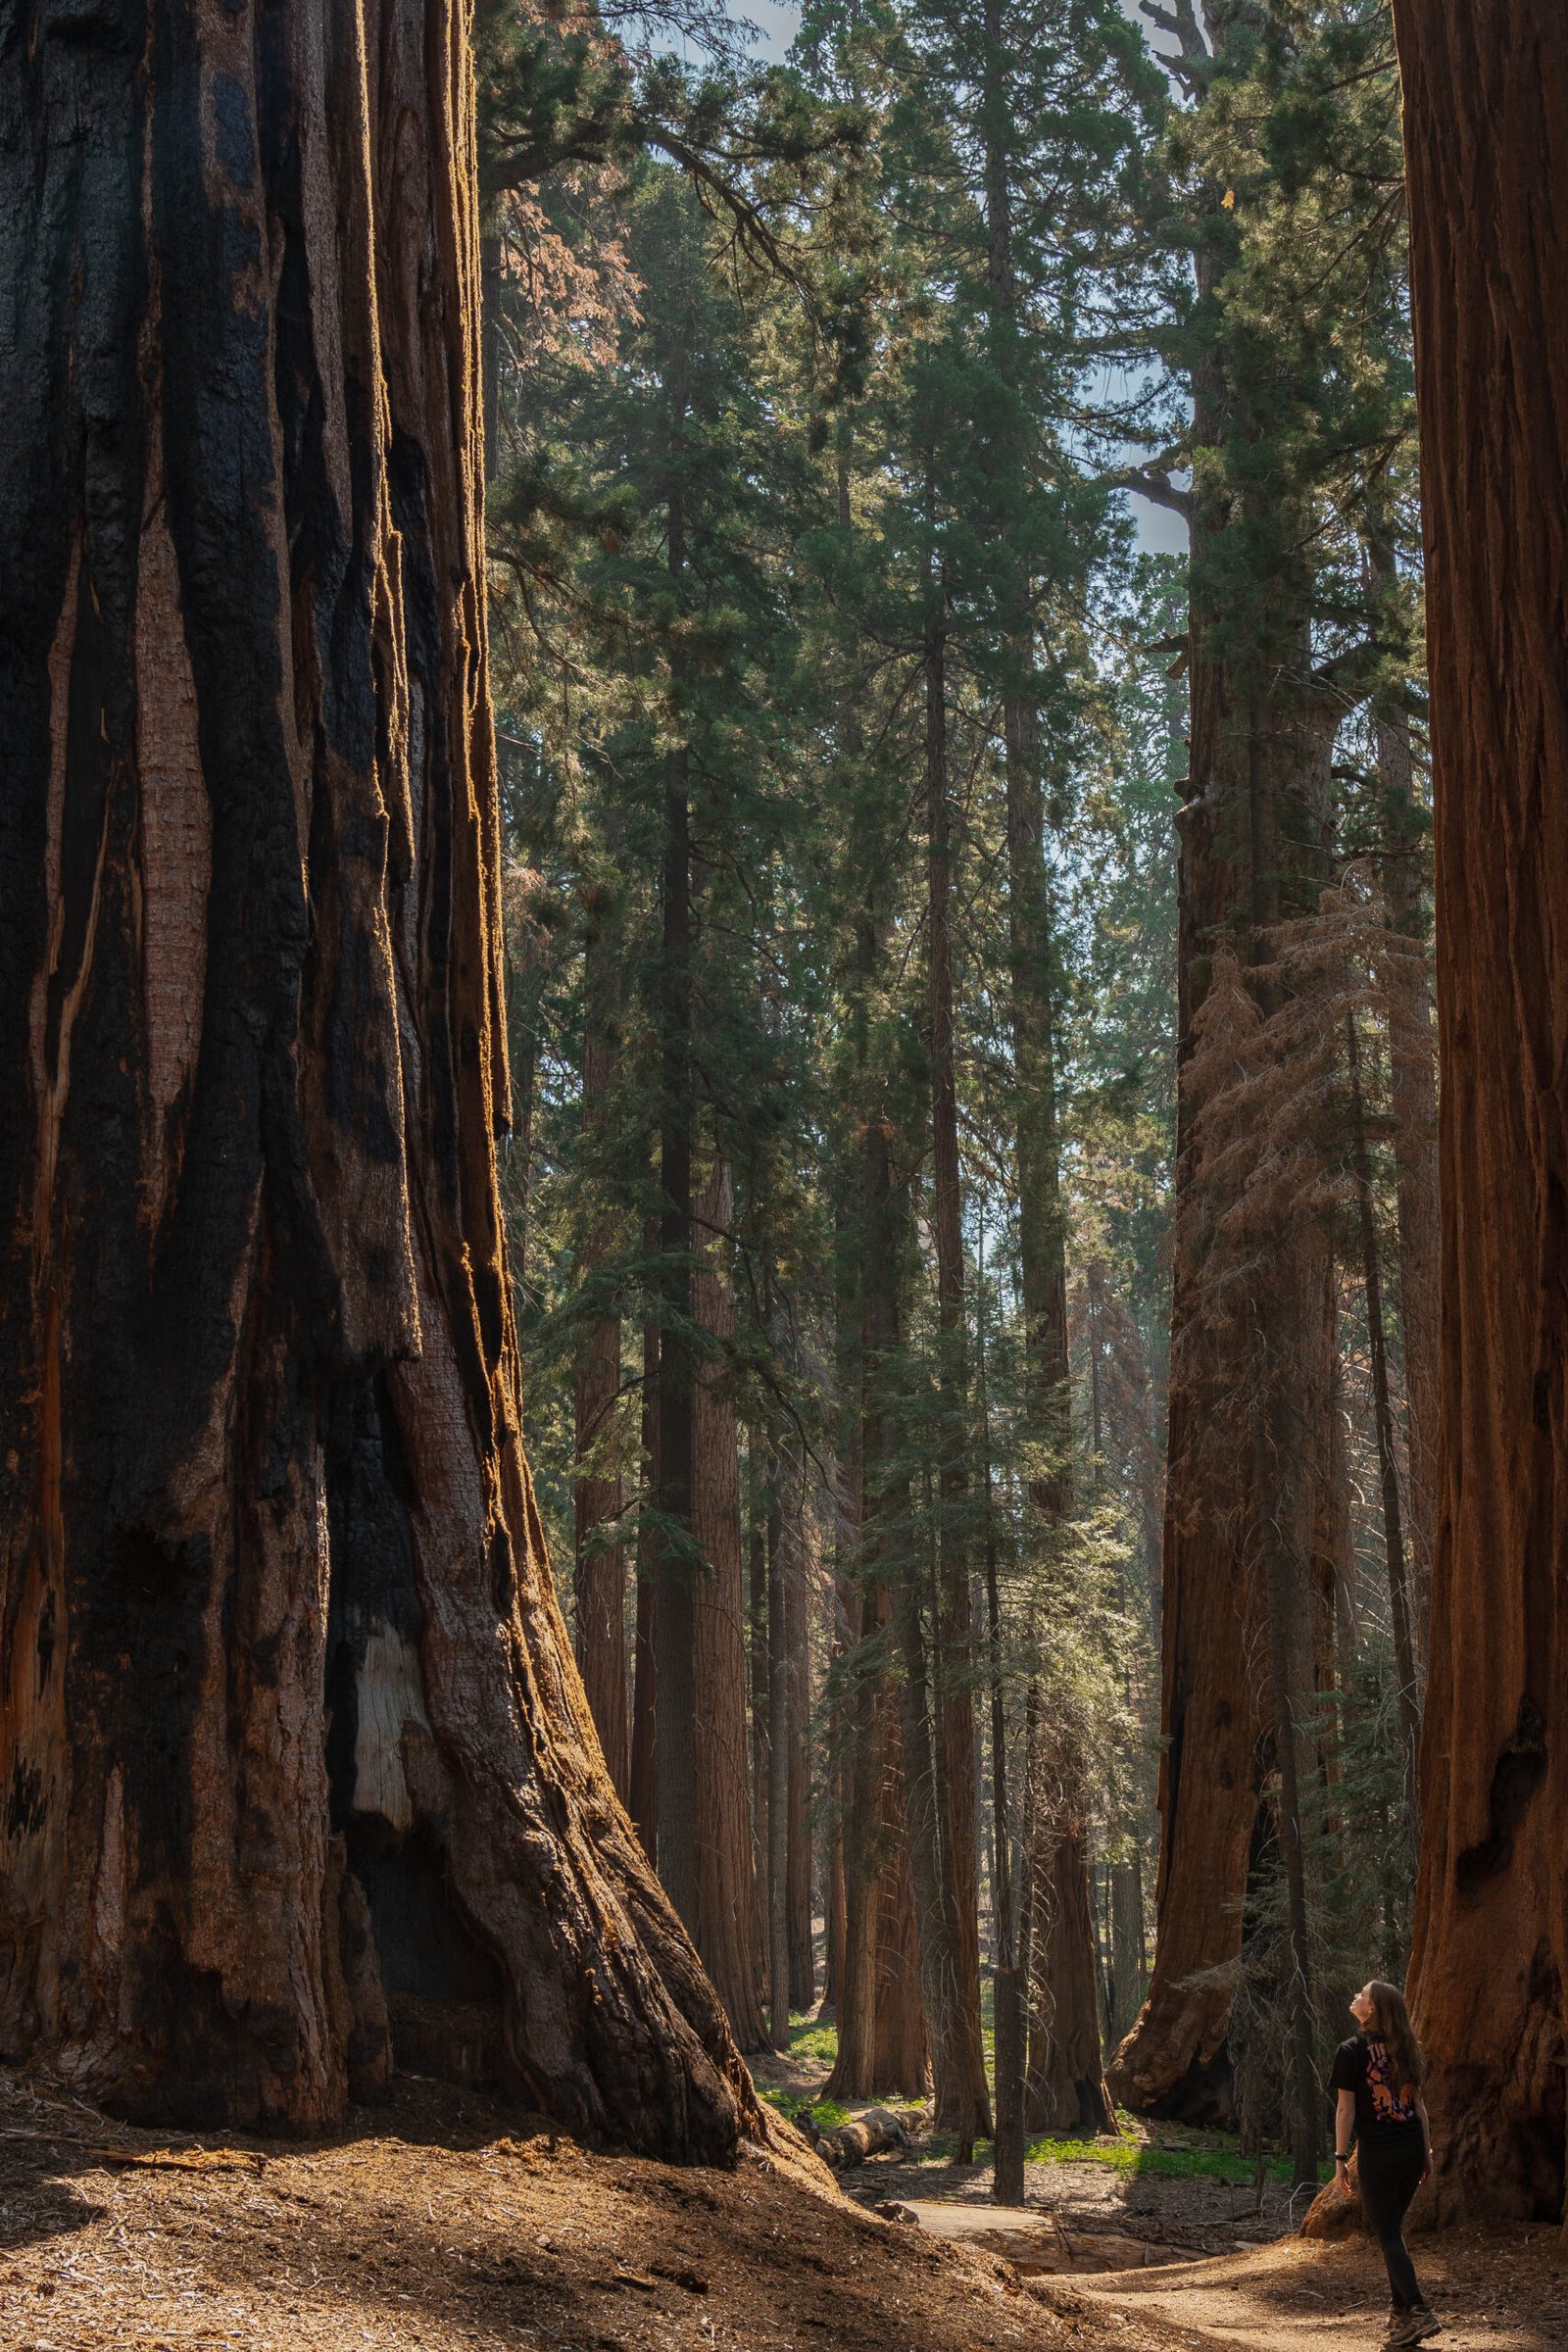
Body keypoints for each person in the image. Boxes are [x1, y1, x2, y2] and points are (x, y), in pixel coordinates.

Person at [1331, 1981, 1438, 2346]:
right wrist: (1425, 2153)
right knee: (1393, 2232)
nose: (1356, 1997)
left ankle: (1420, 2312)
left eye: (1362, 1994)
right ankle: (1400, 2314)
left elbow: (1346, 2109)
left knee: (1388, 2234)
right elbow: (1419, 2108)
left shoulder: (1350, 2051)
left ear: (1372, 2009)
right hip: (1410, 2147)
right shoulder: (1405, 2049)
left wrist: (1341, 2158)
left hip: (1378, 2153)